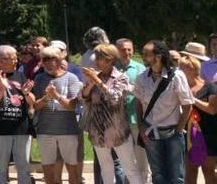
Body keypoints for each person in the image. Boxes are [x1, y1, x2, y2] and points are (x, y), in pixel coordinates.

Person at [80, 44, 143, 184]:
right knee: (106, 170)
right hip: (97, 131)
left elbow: (114, 98)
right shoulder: (94, 75)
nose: (96, 61)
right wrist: (91, 82)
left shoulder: (120, 77)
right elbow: (84, 97)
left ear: (110, 59)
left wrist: (97, 82)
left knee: (130, 169)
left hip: (118, 132)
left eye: (99, 58)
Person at [134, 41, 194, 184]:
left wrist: (179, 129)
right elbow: (137, 103)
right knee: (157, 175)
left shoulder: (177, 76)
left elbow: (187, 105)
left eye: (147, 54)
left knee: (176, 177)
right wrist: (141, 127)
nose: (143, 57)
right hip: (151, 134)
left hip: (173, 134)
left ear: (159, 56)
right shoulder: (142, 78)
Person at [33, 45, 83, 184]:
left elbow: (73, 106)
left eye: (52, 58)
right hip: (45, 131)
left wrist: (56, 95)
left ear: (60, 59)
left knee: (72, 171)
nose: (48, 62)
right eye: (45, 59)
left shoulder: (71, 78)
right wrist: (46, 98)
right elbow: (36, 105)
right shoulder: (39, 79)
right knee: (49, 173)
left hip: (68, 130)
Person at [0, 45, 33, 184]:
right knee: (0, 169)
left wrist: (26, 93)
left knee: (24, 168)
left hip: (21, 128)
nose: (15, 61)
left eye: (14, 58)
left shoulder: (21, 75)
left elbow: (32, 102)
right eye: (10, 58)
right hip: (0, 129)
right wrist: (2, 89)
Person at [178, 46, 217, 184]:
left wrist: (192, 99)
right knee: (190, 172)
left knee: (208, 171)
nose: (180, 71)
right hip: (188, 135)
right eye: (179, 67)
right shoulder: (180, 87)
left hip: (208, 135)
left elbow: (212, 109)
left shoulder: (210, 86)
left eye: (184, 68)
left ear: (194, 69)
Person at [116, 38, 149, 184]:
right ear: (117, 50)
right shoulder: (112, 68)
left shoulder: (140, 68)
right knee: (126, 159)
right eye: (123, 49)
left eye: (129, 49)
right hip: (118, 120)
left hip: (136, 118)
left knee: (141, 156)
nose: (126, 52)